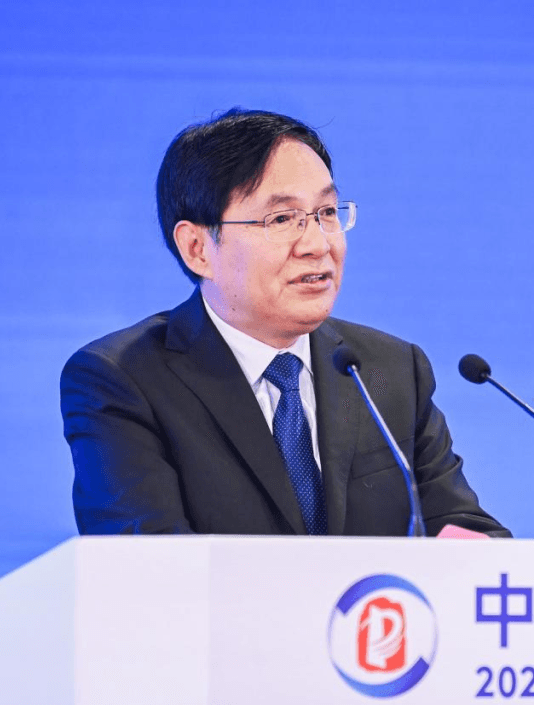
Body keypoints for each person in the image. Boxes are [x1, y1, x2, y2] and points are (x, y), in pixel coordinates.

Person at [61, 108, 509, 537]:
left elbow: (463, 531)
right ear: (198, 249)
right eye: (282, 219)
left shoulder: (387, 370)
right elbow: (147, 565)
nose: (318, 244)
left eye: (327, 213)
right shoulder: (124, 380)